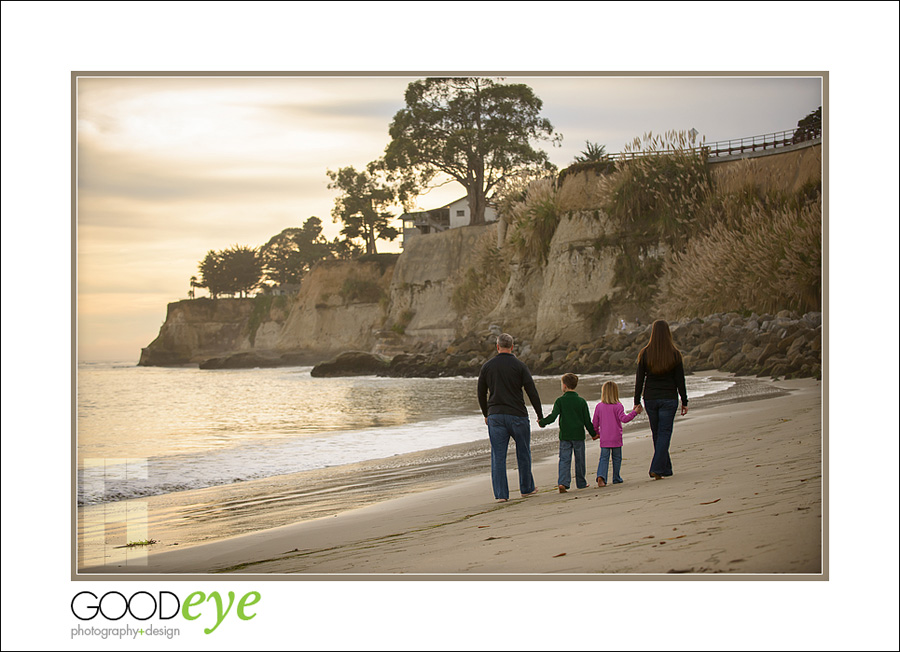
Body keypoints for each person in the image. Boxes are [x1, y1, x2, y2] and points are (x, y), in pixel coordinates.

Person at [477, 333, 545, 502]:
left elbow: (480, 393)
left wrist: (486, 414)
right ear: (512, 347)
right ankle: (527, 488)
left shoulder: (487, 366)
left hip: (496, 416)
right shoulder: (520, 366)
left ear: (497, 346)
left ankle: (501, 495)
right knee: (523, 452)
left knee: (498, 456)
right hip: (517, 415)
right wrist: (539, 415)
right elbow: (532, 392)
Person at [633, 319, 689, 479]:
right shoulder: (674, 354)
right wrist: (684, 401)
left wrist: (636, 400)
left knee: (657, 433)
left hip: (650, 398)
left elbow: (639, 380)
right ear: (668, 333)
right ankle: (658, 468)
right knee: (664, 433)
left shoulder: (645, 353)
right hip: (669, 398)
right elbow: (680, 380)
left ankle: (666, 468)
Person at [539, 373, 596, 493]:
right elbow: (587, 420)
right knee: (580, 459)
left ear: (564, 386)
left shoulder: (560, 401)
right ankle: (581, 483)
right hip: (578, 435)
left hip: (565, 436)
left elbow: (553, 417)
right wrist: (593, 433)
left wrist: (542, 422)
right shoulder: (581, 401)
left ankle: (563, 482)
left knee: (564, 459)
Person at [592, 380, 641, 487]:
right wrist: (635, 412)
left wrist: (596, 433)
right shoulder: (618, 406)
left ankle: (601, 476)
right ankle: (616, 477)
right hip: (616, 437)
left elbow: (594, 423)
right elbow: (624, 419)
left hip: (604, 437)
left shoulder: (599, 406)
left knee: (604, 458)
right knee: (617, 458)